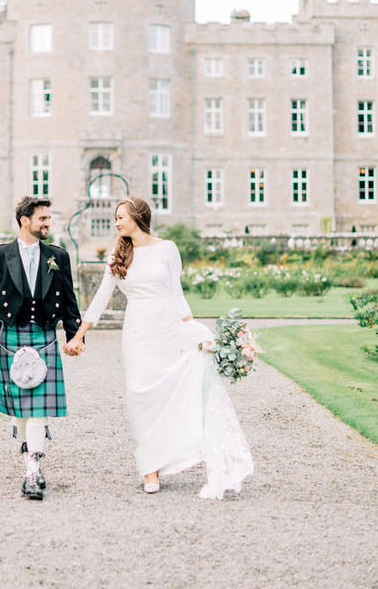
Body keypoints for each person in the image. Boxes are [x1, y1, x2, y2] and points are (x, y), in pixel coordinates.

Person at [64, 197, 254, 498]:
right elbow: (101, 297)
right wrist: (78, 336)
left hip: (167, 329)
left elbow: (176, 294)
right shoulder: (117, 255)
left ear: (138, 217)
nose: (117, 222)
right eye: (116, 217)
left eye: (121, 217)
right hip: (137, 330)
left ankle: (160, 459)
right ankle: (149, 467)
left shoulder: (167, 249)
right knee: (139, 394)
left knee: (167, 393)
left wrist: (193, 328)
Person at [0, 196, 83, 500]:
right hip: (12, 336)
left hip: (44, 336)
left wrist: (75, 337)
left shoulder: (58, 256)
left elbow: (69, 300)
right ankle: (28, 449)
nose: (48, 223)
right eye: (43, 218)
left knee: (37, 407)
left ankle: (33, 471)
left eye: (48, 218)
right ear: (25, 220)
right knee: (20, 410)